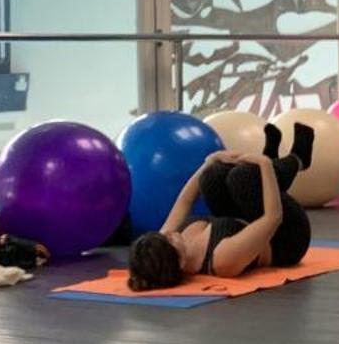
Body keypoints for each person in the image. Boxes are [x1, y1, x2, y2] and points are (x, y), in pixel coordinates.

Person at [126, 122, 314, 290]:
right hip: (286, 234)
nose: (168, 233)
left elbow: (185, 201)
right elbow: (273, 218)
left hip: (249, 220)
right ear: (180, 262)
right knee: (243, 177)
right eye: (169, 239)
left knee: (212, 176)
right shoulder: (222, 260)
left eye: (163, 235)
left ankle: (273, 156)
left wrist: (210, 161)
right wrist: (264, 165)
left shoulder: (167, 241)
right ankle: (297, 159)